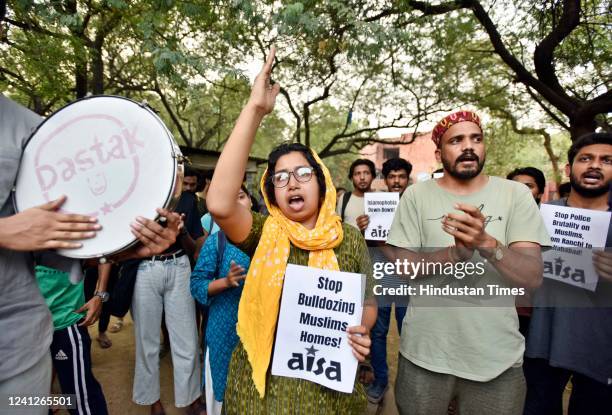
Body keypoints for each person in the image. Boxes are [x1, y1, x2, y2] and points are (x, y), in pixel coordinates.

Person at [0, 41, 179, 415]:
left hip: (17, 342)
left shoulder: (33, 133)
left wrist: (121, 245)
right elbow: (15, 231)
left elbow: (53, 240)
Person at [206, 47, 376, 414]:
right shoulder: (265, 232)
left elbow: (367, 302)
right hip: (262, 393)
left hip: (330, 390)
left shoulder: (350, 239)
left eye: (302, 173)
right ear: (271, 194)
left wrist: (361, 330)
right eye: (280, 178)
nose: (292, 183)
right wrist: (254, 111)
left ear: (322, 181)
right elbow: (219, 203)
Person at [386, 110, 550, 415]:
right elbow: (405, 270)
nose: (468, 146)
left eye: (476, 138)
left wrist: (486, 243)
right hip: (425, 356)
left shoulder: (516, 195)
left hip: (497, 361)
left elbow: (533, 277)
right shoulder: (415, 196)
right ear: (439, 153)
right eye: (456, 140)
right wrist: (454, 255)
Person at [524, 132, 612, 415]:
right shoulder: (539, 216)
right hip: (543, 343)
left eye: (606, 160)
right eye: (585, 159)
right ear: (568, 168)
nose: (594, 166)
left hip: (600, 352)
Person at [130, 184, 205, 414]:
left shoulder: (186, 199)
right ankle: (153, 401)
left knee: (187, 340)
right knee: (147, 340)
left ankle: (191, 398)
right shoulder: (132, 195)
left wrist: (181, 230)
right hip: (144, 268)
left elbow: (196, 244)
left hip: (180, 265)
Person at [190, 185, 253, 415]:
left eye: (241, 197)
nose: (236, 203)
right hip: (222, 330)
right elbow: (196, 284)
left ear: (252, 202)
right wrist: (225, 283)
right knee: (222, 392)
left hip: (260, 333)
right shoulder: (216, 242)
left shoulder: (270, 240)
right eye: (230, 199)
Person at [36, 262, 110, 414]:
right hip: (22, 326)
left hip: (64, 320)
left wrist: (100, 295)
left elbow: (105, 253)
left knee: (80, 398)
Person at [367, 157, 412, 404]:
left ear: (408, 178)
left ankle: (408, 384)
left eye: (401, 176)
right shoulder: (376, 204)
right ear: (385, 179)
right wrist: (366, 229)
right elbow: (371, 240)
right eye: (392, 177)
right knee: (378, 333)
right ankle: (380, 381)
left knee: (411, 331)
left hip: (408, 279)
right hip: (382, 277)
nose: (396, 181)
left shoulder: (417, 204)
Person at [507, 166, 547, 337]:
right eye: (516, 186)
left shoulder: (554, 223)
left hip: (538, 312)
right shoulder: (493, 221)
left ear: (539, 193)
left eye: (529, 186)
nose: (521, 191)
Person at [337, 158, 376, 232]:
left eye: (366, 173)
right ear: (351, 178)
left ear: (373, 176)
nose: (362, 177)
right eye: (357, 174)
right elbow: (337, 227)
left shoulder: (381, 198)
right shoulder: (344, 198)